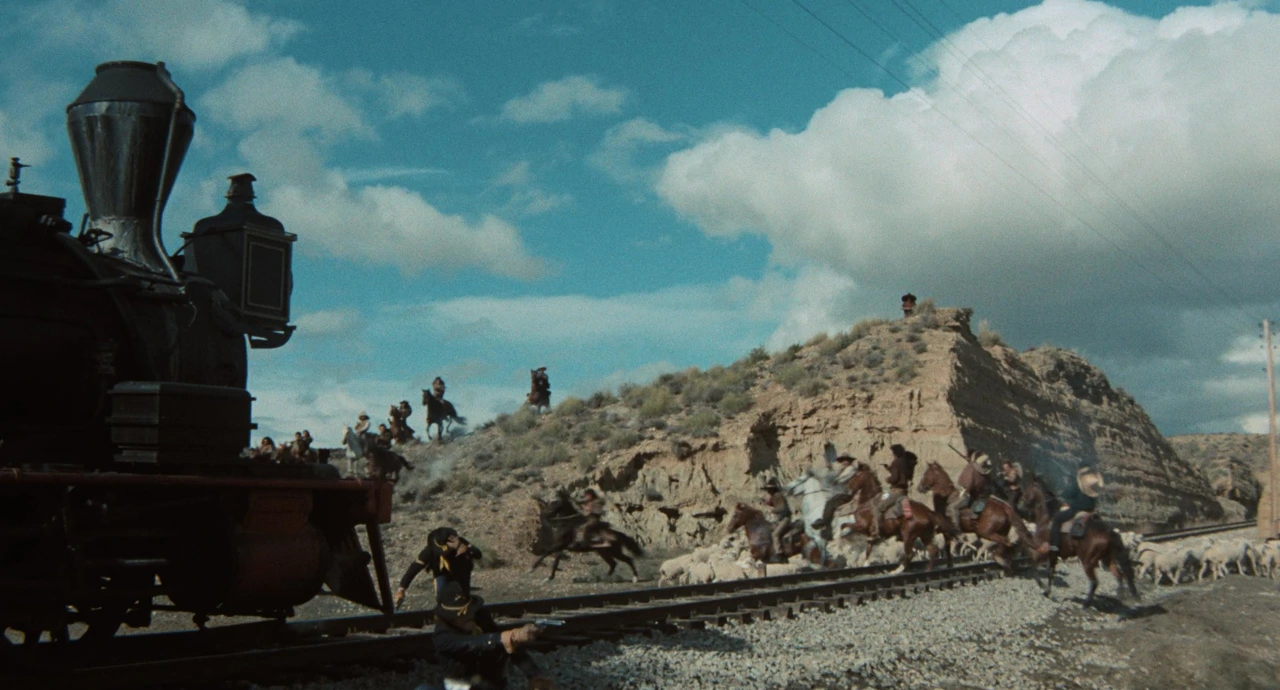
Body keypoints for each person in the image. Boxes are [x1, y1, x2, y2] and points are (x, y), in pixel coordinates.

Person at [429, 580, 553, 690]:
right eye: (461, 616)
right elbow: (476, 643)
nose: (469, 616)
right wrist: (508, 637)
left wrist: (533, 674)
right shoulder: (442, 636)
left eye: (470, 612)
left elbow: (507, 646)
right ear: (449, 619)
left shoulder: (481, 620)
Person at [396, 526, 483, 609]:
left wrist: (465, 548)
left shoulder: (459, 542)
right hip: (441, 573)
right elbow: (415, 568)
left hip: (461, 572)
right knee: (442, 598)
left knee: (463, 598)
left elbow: (478, 554)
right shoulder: (430, 550)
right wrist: (401, 589)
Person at [1044, 463, 1104, 554]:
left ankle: (1055, 545)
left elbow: (1070, 493)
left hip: (1077, 509)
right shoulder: (1094, 481)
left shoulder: (1079, 481)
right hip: (1091, 510)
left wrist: (1061, 494)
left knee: (1057, 518)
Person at [871, 444, 918, 538]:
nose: (892, 454)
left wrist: (888, 479)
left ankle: (878, 532)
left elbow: (895, 478)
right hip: (904, 491)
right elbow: (901, 473)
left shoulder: (896, 462)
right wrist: (889, 468)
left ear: (895, 453)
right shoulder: (905, 463)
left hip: (895, 492)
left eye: (892, 453)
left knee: (878, 508)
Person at [812, 452, 857, 533]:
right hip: (841, 493)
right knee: (829, 501)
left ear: (849, 461)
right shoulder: (842, 470)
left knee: (830, 503)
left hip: (847, 493)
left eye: (846, 460)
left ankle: (825, 522)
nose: (844, 462)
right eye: (842, 460)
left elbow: (841, 479)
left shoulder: (851, 469)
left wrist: (835, 476)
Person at [948, 450, 992, 529]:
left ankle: (956, 529)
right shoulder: (986, 475)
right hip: (978, 496)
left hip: (967, 494)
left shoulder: (971, 468)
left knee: (952, 507)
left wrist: (970, 466)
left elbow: (968, 484)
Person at [761, 477, 793, 560]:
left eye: (769, 489)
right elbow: (771, 503)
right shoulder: (774, 496)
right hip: (779, 519)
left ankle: (780, 553)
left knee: (775, 534)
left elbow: (782, 507)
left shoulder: (778, 495)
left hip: (785, 519)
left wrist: (773, 510)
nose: (768, 491)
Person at [424, 377, 463, 441]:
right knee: (429, 405)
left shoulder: (442, 384)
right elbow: (433, 388)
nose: (438, 382)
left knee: (442, 403)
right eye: (437, 381)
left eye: (438, 381)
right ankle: (429, 416)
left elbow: (442, 390)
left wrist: (439, 390)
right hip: (434, 397)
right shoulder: (434, 383)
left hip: (439, 397)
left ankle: (442, 414)